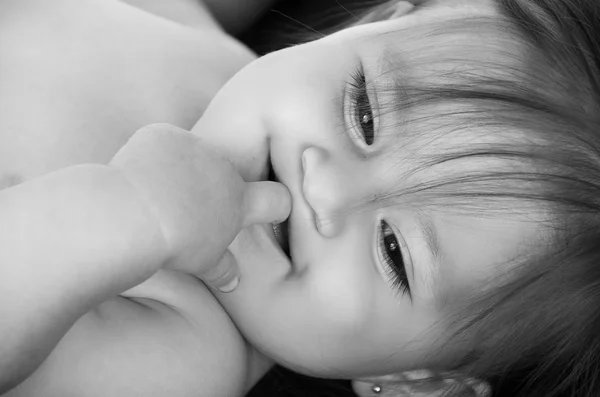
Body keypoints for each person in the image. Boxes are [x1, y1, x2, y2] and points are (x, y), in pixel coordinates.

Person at [2, 1, 600, 397]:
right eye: (364, 110)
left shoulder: (187, 353)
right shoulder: (216, 54)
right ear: (375, 18)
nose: (324, 187)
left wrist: (130, 212)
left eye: (395, 252)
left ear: (417, 383)